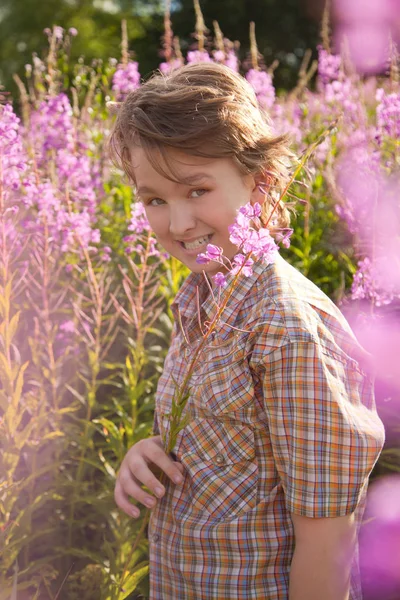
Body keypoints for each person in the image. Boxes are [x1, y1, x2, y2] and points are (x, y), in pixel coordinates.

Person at [108, 62, 385, 600]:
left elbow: (328, 541)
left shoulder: (284, 326)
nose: (179, 223)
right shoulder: (205, 293)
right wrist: (149, 452)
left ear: (259, 184)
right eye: (155, 200)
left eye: (196, 190)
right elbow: (231, 450)